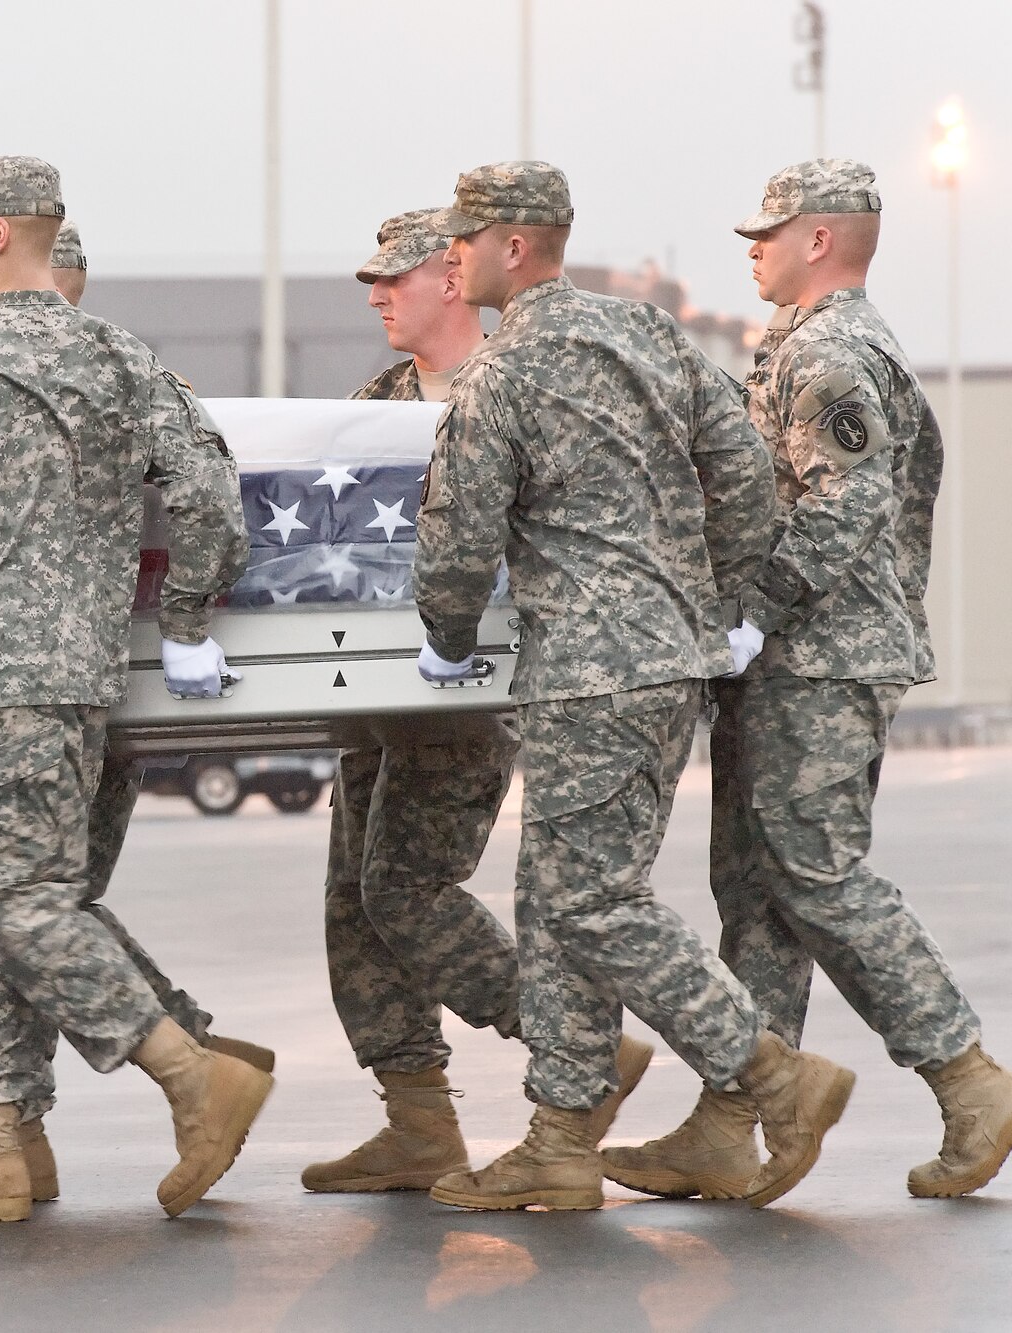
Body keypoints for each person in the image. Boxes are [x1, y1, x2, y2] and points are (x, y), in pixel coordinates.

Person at [415, 161, 856, 1211]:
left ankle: (768, 1073)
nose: (450, 258)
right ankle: (558, 1137)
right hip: (665, 660)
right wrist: (715, 590)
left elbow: (459, 538)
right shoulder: (648, 335)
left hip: (585, 672)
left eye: (462, 241)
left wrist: (439, 628)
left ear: (512, 247)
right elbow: (745, 469)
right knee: (553, 897)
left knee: (594, 902)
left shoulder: (501, 371)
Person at [605, 160, 1012, 1202]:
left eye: (766, 231)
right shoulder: (800, 347)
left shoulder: (833, 349)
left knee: (814, 876)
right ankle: (731, 1116)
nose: (749, 247)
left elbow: (842, 505)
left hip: (820, 652)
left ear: (817, 238)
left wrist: (759, 609)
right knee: (755, 892)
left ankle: (968, 1078)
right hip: (797, 654)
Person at [0, 157, 270, 1222]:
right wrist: (181, 624)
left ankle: (187, 1067)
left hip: (1, 673)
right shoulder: (122, 356)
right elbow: (212, 496)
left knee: (6, 898)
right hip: (97, 679)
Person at [303, 208, 650, 1196]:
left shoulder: (513, 388)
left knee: (403, 892)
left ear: (448, 280)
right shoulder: (368, 408)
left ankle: (578, 1049)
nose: (375, 296)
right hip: (376, 701)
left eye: (391, 279)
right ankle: (416, 1122)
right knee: (353, 906)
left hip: (464, 694)